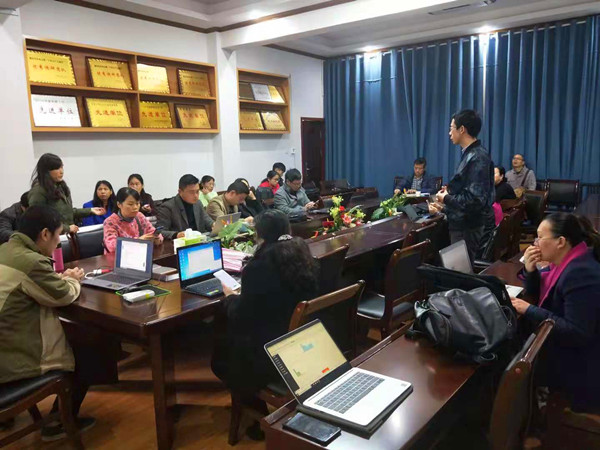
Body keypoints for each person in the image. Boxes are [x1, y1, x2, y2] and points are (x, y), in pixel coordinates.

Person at [0, 206, 118, 441]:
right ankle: (59, 422)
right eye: (58, 236)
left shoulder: (7, 250)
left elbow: (31, 285)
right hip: (13, 358)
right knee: (90, 349)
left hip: (5, 344)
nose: (58, 243)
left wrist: (56, 279)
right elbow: (63, 296)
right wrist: (72, 280)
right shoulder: (31, 261)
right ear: (45, 234)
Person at [211, 209, 319, 439]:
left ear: (261, 236)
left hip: (270, 351)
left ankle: (258, 419)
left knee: (221, 358)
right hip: (302, 339)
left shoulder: (259, 266)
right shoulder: (301, 252)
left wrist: (230, 298)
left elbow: (243, 314)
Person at [511, 213, 600, 413]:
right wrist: (530, 271)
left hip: (583, 368)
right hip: (577, 352)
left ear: (560, 242)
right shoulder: (570, 261)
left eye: (540, 237)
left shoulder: (580, 273)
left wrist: (528, 309)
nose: (535, 243)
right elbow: (541, 292)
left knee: (511, 356)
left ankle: (527, 418)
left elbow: (577, 332)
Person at [435, 110, 494, 262]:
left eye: (451, 128)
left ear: (462, 129)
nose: (449, 133)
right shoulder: (471, 153)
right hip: (464, 225)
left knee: (461, 270)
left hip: (468, 228)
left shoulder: (477, 157)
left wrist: (446, 198)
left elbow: (474, 200)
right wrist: (448, 196)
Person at [28, 153, 105, 234]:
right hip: (52, 237)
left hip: (66, 236)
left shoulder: (61, 187)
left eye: (62, 167)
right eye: (57, 168)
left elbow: (68, 212)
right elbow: (39, 219)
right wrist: (66, 228)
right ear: (46, 171)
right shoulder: (38, 191)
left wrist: (90, 211)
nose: (61, 171)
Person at [103, 187, 163, 253]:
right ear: (119, 204)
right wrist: (139, 241)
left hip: (139, 255)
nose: (135, 207)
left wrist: (156, 239)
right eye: (130, 204)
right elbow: (112, 247)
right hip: (118, 258)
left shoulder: (139, 216)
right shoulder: (110, 222)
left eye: (137, 203)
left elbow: (154, 232)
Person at [157, 174, 214, 239]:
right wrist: (176, 235)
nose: (196, 195)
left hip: (199, 241)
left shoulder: (198, 203)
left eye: (197, 191)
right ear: (180, 192)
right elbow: (159, 231)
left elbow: (206, 219)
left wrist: (213, 225)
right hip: (179, 243)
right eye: (191, 192)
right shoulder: (168, 207)